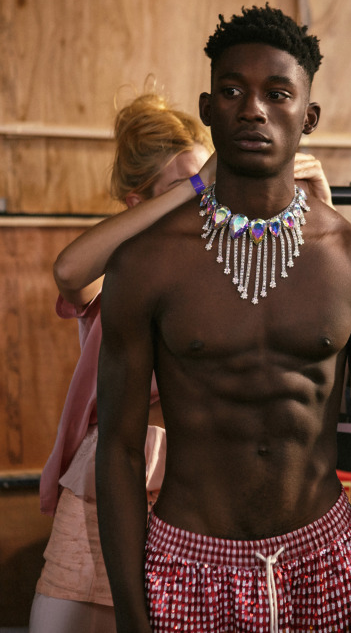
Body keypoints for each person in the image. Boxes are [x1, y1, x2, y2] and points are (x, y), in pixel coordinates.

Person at [95, 5, 351, 633]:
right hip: (187, 565)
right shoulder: (147, 265)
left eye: (278, 93)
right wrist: (133, 617)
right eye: (233, 91)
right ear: (208, 109)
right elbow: (120, 451)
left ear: (308, 117)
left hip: (324, 564)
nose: (253, 110)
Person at [29, 91, 215, 633]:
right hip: (109, 475)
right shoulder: (119, 272)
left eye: (207, 180)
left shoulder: (229, 262)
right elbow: (70, 273)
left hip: (198, 481)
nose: (205, 198)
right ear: (141, 204)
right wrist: (198, 187)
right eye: (186, 187)